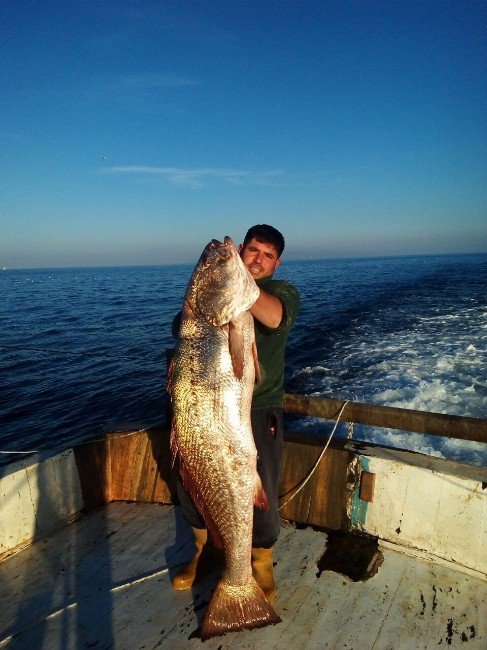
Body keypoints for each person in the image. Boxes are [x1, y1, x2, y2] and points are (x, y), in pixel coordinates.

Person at [172, 224, 300, 603]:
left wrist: (235, 284)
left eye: (268, 255)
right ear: (243, 250)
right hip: (199, 409)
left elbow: (275, 318)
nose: (258, 259)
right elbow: (183, 328)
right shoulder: (211, 307)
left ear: (276, 263)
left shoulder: (281, 293)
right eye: (253, 251)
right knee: (191, 484)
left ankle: (256, 564)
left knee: (258, 489)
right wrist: (216, 286)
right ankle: (204, 551)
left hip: (259, 411)